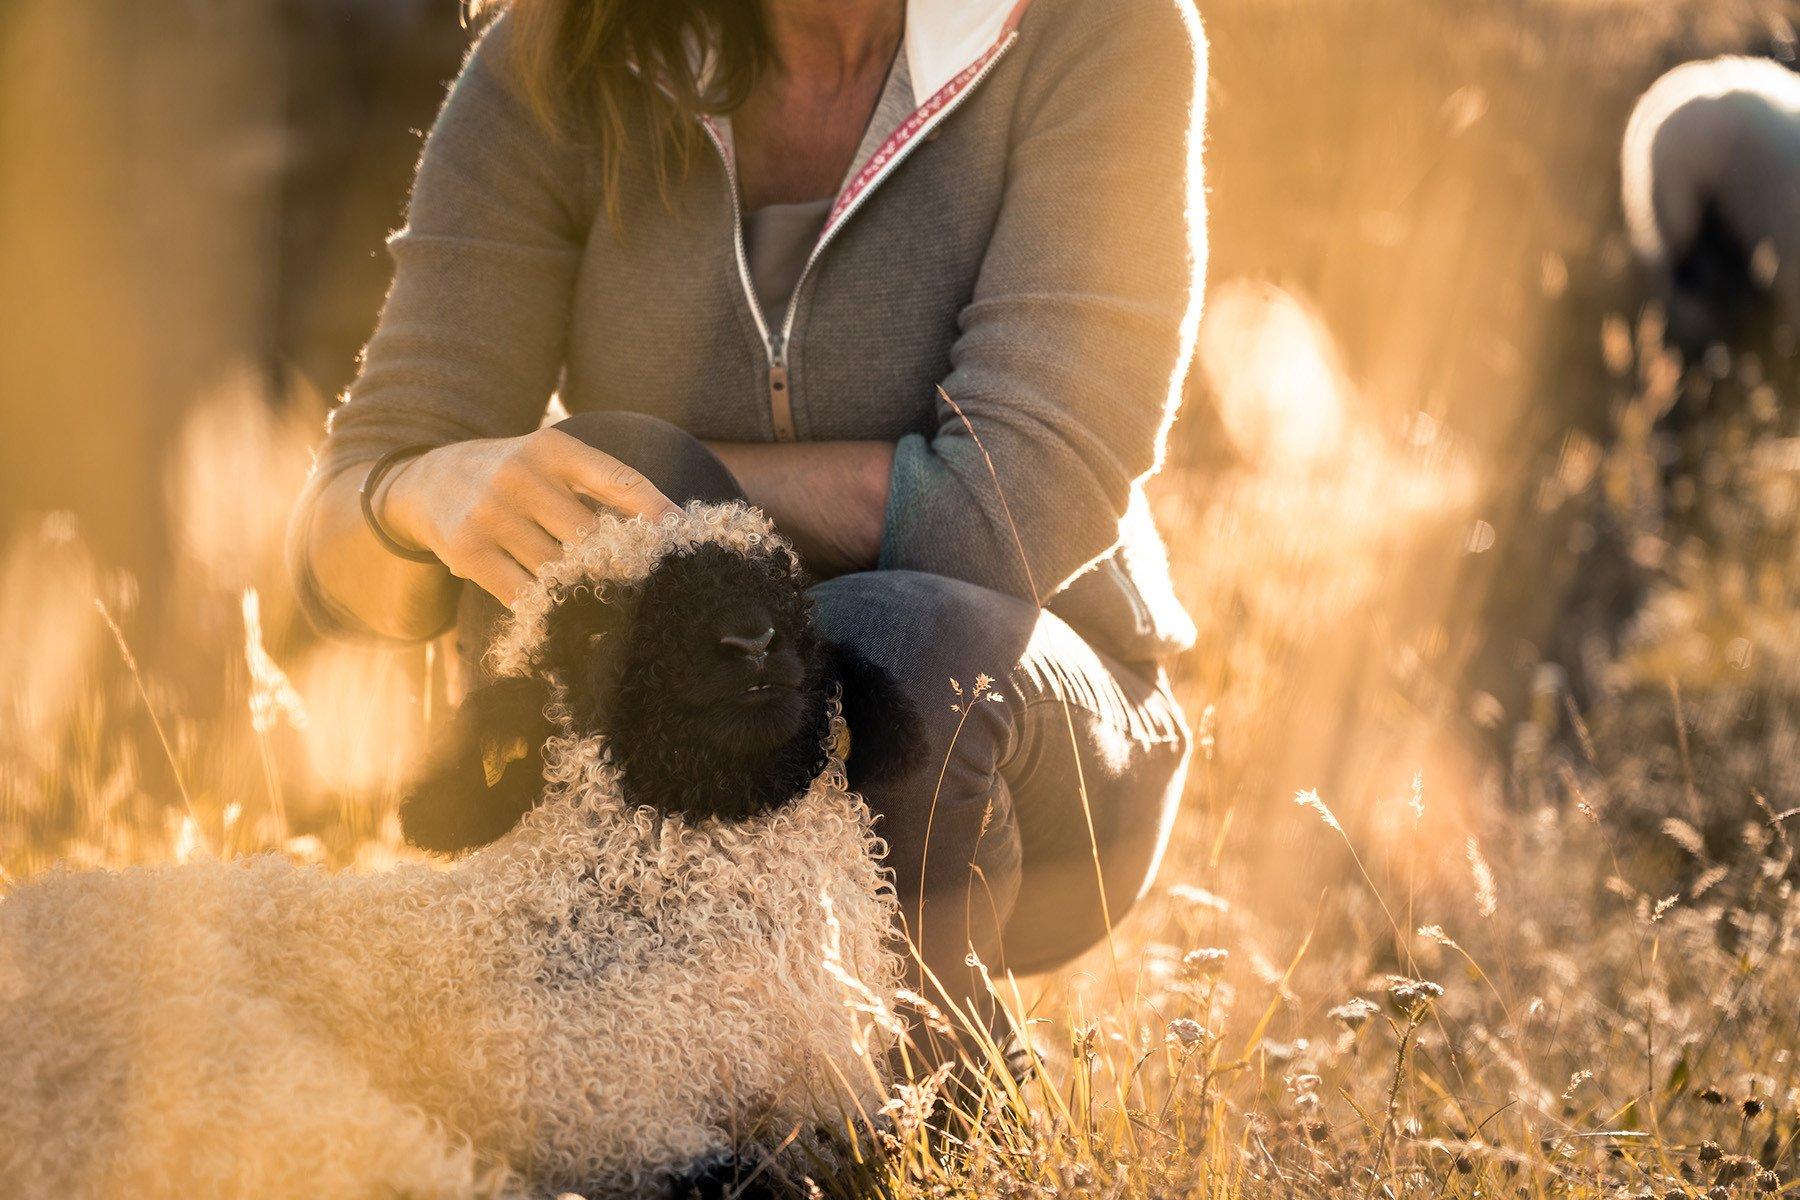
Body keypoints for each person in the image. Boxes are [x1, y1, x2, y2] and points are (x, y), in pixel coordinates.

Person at [287, 0, 1206, 1056]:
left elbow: (1005, 507)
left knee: (886, 635)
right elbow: (332, 548)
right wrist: (425, 493)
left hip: (1024, 749)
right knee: (537, 549)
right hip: (673, 745)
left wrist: (646, 492)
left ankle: (923, 1087)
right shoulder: (562, 50)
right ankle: (591, 1045)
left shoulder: (1096, 28)